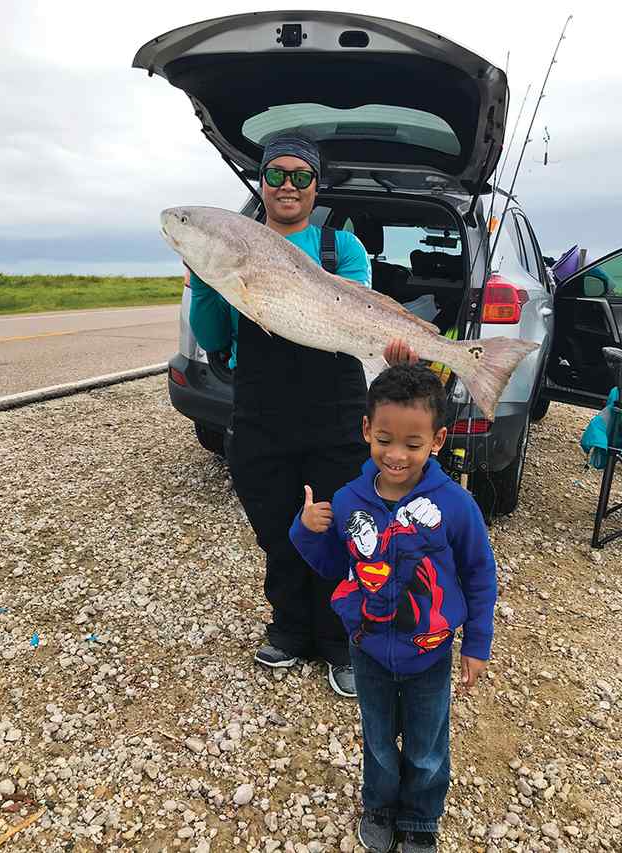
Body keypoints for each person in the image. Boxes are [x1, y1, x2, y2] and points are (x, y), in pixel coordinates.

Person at [189, 132, 416, 698]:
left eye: (300, 175)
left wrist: (391, 345)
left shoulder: (343, 249)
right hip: (260, 414)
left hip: (334, 414)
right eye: (275, 174)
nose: (287, 186)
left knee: (340, 527)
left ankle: (339, 640)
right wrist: (206, 282)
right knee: (277, 529)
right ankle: (289, 629)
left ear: (316, 185)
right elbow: (213, 338)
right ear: (261, 182)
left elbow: (357, 321)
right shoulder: (230, 250)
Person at [290, 364, 497, 852]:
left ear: (437, 440)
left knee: (427, 746)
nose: (396, 455)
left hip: (430, 653)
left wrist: (477, 644)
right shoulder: (349, 501)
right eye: (384, 440)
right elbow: (332, 565)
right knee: (378, 742)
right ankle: (379, 806)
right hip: (367, 649)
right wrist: (305, 528)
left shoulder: (456, 505)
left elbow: (479, 574)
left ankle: (422, 818)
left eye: (413, 443)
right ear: (367, 430)